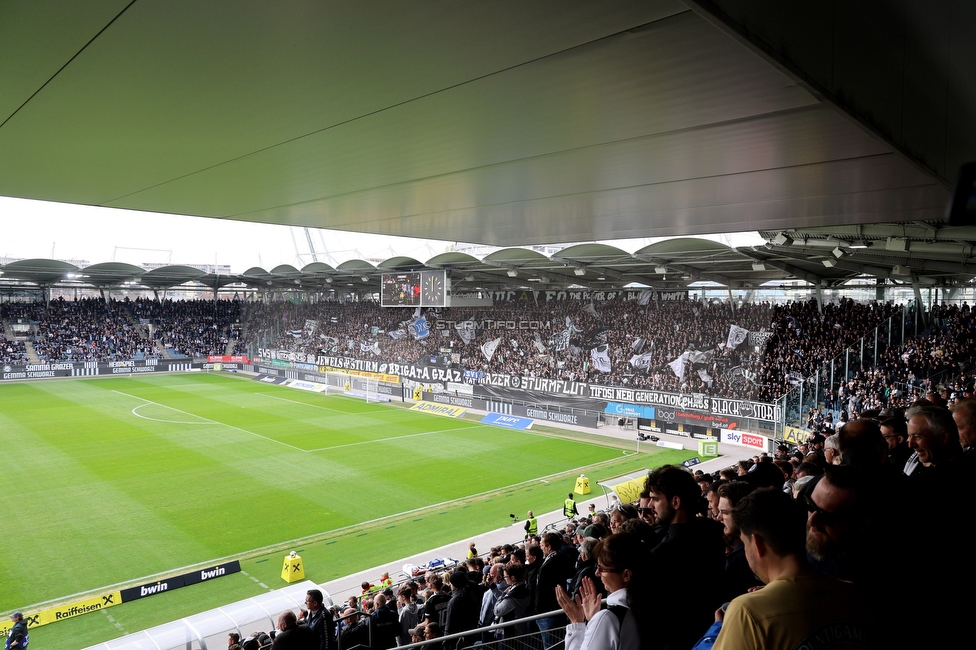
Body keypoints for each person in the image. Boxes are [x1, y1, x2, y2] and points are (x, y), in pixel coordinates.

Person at [712, 488, 866, 650]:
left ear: (757, 544)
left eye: (745, 544)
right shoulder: (853, 593)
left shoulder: (746, 611)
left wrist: (718, 630)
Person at [555, 533, 652, 650]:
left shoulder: (608, 618)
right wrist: (593, 621)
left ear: (626, 574)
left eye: (602, 568)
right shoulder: (648, 601)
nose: (597, 573)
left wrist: (576, 623)